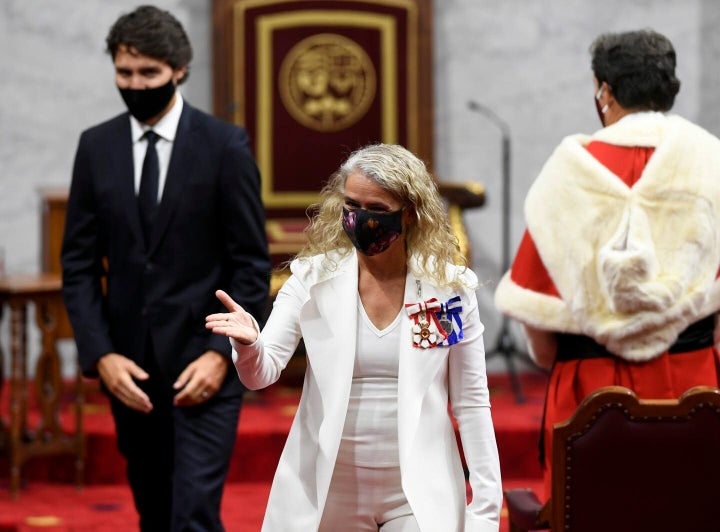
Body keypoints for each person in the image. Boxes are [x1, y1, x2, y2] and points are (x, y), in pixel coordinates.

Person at [206, 143, 502, 531]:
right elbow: (261, 373)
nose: (360, 219)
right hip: (330, 486)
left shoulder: (450, 289)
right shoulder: (312, 279)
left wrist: (485, 511)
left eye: (377, 210)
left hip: (417, 488)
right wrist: (249, 347)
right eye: (351, 206)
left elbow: (472, 404)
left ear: (409, 214)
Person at [61, 5, 270, 531]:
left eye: (148, 74)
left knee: (193, 515)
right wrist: (100, 354)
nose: (134, 85)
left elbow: (250, 265)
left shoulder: (225, 147)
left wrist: (222, 356)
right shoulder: (95, 146)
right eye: (124, 74)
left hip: (203, 365)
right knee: (154, 512)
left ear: (178, 70)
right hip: (129, 368)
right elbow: (79, 265)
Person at [495, 28, 720, 498]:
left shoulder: (569, 169)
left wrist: (566, 360)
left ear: (605, 91)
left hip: (589, 391)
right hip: (696, 384)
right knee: (690, 509)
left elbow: (537, 309)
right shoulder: (711, 160)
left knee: (595, 510)